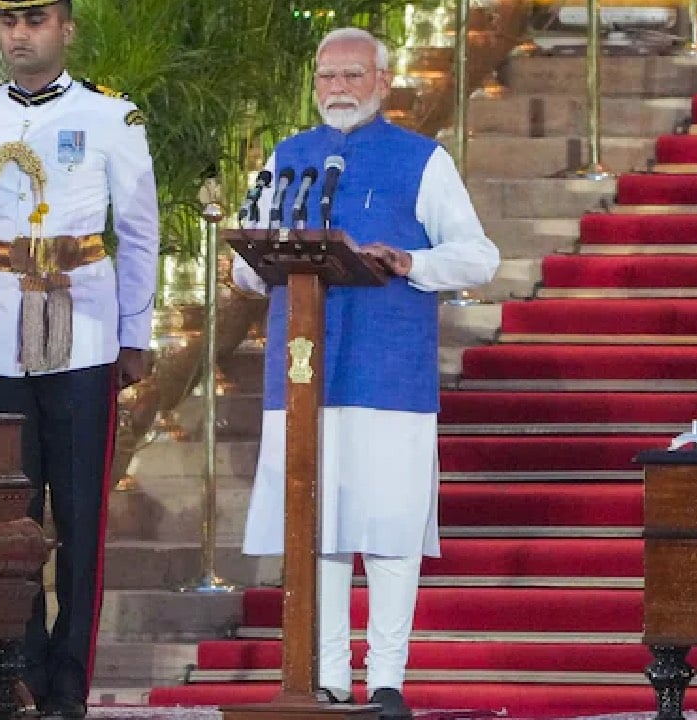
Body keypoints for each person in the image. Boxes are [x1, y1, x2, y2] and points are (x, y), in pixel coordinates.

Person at [233, 27, 500, 718]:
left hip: (387, 373)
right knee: (315, 525)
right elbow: (242, 263)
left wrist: (412, 263)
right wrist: (257, 253)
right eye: (327, 77)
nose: (338, 89)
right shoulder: (288, 159)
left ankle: (386, 679)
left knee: (387, 525)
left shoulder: (422, 160)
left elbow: (478, 256)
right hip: (303, 375)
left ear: (382, 83)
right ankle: (325, 676)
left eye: (353, 76)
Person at [0, 0, 159, 716]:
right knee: (10, 511)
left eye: (34, 20)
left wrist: (134, 333)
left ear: (66, 28)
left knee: (78, 511)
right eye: (8, 21)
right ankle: (22, 668)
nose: (19, 35)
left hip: (81, 324)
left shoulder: (111, 117)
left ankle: (71, 679)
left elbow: (138, 228)